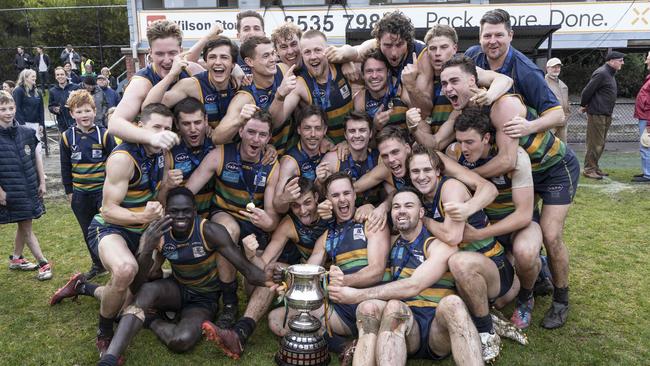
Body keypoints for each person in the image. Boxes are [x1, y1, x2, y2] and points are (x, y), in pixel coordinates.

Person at [437, 55, 580, 330]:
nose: (448, 88)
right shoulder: (469, 119)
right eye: (444, 83)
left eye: (453, 81)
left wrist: (468, 176)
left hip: (553, 166)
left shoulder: (501, 106)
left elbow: (508, 162)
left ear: (472, 80)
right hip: (520, 178)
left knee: (548, 234)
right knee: (518, 242)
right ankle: (532, 275)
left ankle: (557, 298)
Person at [90, 187, 270, 366]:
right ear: (166, 212)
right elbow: (137, 287)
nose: (180, 216)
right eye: (174, 211)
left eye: (186, 211)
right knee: (144, 292)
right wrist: (146, 249)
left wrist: (274, 280)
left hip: (204, 299)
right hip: (177, 288)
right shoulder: (159, 232)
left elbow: (247, 270)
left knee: (181, 341)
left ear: (194, 211)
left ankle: (152, 320)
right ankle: (110, 359)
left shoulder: (211, 231)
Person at [328, 188, 482, 366]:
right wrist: (339, 276)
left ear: (421, 212)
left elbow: (414, 285)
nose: (401, 210)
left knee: (452, 304)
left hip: (437, 327)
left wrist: (356, 295)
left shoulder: (440, 245)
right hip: (407, 325)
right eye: (396, 207)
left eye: (409, 206)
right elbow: (372, 266)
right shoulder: (393, 243)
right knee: (373, 307)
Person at [79, 103, 172, 359]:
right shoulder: (123, 158)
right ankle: (105, 331)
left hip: (141, 229)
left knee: (144, 282)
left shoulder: (164, 153)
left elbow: (158, 197)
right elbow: (108, 209)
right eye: (156, 127)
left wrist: (167, 187)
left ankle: (84, 287)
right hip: (111, 228)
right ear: (140, 128)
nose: (161, 134)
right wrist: (143, 216)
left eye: (167, 129)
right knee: (124, 271)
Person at [202, 177, 329, 359]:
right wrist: (251, 254)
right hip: (302, 281)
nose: (303, 211)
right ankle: (240, 333)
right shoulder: (289, 224)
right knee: (273, 271)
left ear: (317, 197)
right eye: (295, 206)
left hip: (330, 281)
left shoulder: (329, 216)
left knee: (279, 272)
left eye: (307, 202)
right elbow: (264, 264)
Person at [267, 172, 390, 356]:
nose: (342, 199)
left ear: (355, 195)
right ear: (327, 201)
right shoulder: (327, 236)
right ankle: (344, 347)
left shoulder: (369, 220)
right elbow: (310, 273)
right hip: (341, 310)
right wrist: (286, 278)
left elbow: (376, 271)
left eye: (346, 193)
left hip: (371, 302)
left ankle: (349, 344)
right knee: (276, 319)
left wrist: (341, 282)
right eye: (335, 195)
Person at [407, 145, 511, 362]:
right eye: (415, 172)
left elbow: (452, 236)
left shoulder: (450, 188)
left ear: (438, 170)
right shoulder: (422, 197)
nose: (421, 176)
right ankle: (484, 314)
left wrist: (424, 220)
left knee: (458, 261)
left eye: (427, 170)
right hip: (469, 277)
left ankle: (486, 332)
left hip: (494, 267)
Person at [449, 107, 542, 329]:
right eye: (460, 141)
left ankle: (526, 297)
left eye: (470, 142)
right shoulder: (455, 153)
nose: (464, 148)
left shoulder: (516, 158)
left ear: (487, 138)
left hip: (517, 225)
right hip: (489, 226)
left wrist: (480, 234)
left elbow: (523, 215)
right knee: (498, 300)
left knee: (525, 253)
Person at [186, 110, 280, 328]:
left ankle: (242, 302)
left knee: (254, 287)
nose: (255, 139)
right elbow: (189, 189)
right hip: (224, 215)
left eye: (262, 135)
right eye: (251, 132)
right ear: (240, 131)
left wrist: (267, 221)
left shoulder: (272, 165)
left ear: (268, 138)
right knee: (227, 231)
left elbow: (272, 218)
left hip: (254, 228)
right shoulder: (220, 154)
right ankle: (229, 303)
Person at [464, 9, 565, 136]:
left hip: (518, 143)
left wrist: (530, 127)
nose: (492, 41)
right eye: (487, 36)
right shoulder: (472, 56)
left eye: (499, 35)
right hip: (486, 138)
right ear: (480, 38)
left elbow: (558, 115)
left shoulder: (527, 71)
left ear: (510, 35)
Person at [108, 19, 203, 150]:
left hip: (188, 152)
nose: (167, 60)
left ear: (181, 51)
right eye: (159, 54)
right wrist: (152, 137)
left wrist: (233, 70)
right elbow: (114, 123)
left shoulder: (192, 70)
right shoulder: (141, 82)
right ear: (150, 53)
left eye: (172, 53)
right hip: (154, 154)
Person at [59, 89, 117, 280]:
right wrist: (69, 192)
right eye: (79, 111)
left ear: (94, 111)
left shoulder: (105, 134)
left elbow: (116, 161)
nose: (84, 115)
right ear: (72, 114)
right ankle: (97, 264)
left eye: (87, 111)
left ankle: (113, 263)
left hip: (102, 193)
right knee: (88, 232)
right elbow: (65, 166)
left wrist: (113, 189)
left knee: (107, 229)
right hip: (80, 195)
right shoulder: (67, 137)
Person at [0, 91, 52, 281]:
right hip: (9, 189)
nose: (8, 112)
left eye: (11, 108)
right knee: (26, 226)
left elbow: (37, 157)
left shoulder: (27, 132)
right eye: (3, 109)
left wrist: (42, 181)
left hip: (29, 187)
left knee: (24, 222)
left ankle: (16, 259)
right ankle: (43, 262)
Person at [211, 36, 291, 154]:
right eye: (266, 56)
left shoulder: (283, 70)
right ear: (249, 62)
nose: (273, 59)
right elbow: (216, 138)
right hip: (263, 158)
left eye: (273, 53)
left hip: (290, 149)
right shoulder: (244, 98)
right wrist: (239, 120)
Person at [272, 29, 353, 144]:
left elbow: (368, 46)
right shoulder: (299, 84)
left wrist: (348, 56)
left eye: (318, 50)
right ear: (302, 54)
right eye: (307, 52)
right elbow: (275, 122)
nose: (313, 56)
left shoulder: (341, 65)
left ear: (327, 49)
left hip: (354, 139)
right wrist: (279, 95)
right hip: (328, 148)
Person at [144, 36, 239, 128]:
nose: (218, 62)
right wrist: (171, 75)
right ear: (206, 62)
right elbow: (148, 109)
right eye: (212, 57)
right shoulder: (191, 85)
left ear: (233, 64)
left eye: (224, 57)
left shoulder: (240, 83)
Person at [317, 112, 383, 207]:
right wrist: (320, 182)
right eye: (352, 131)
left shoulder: (380, 158)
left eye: (362, 130)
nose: (357, 135)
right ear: (345, 135)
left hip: (372, 215)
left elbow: (390, 192)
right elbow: (319, 196)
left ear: (371, 133)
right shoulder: (333, 159)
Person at [273, 105, 327, 213]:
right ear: (299, 129)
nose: (313, 134)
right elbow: (277, 205)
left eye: (318, 128)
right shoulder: (290, 163)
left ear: (325, 130)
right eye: (307, 128)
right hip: (301, 216)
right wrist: (285, 198)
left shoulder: (329, 150)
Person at [580, 51, 625, 179]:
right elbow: (587, 91)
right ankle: (589, 169)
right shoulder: (602, 73)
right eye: (620, 60)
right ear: (611, 61)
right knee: (595, 143)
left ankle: (595, 167)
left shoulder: (610, 73)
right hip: (597, 114)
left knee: (601, 143)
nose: (623, 63)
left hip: (605, 113)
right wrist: (584, 105)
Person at [353, 50, 411, 131]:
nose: (374, 76)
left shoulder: (402, 90)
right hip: (378, 143)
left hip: (404, 142)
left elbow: (421, 121)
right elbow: (361, 138)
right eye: (369, 71)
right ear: (363, 75)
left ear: (388, 72)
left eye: (379, 70)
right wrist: (375, 127)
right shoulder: (360, 100)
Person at [13, 69, 45, 142]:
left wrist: (41, 124)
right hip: (24, 124)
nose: (35, 78)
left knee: (38, 150)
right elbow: (17, 109)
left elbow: (41, 110)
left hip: (36, 124)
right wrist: (22, 125)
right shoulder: (18, 90)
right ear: (26, 78)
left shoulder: (38, 92)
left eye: (35, 76)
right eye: (33, 76)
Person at [633, 50, 650, 183]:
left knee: (646, 145)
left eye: (648, 58)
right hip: (644, 117)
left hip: (647, 118)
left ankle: (648, 175)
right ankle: (646, 171)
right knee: (646, 145)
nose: (646, 61)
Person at [545, 58, 570, 142]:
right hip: (548, 122)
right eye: (554, 67)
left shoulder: (563, 85)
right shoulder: (542, 83)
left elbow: (566, 102)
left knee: (562, 148)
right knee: (546, 146)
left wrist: (567, 115)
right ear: (547, 68)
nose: (556, 69)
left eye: (558, 67)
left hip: (563, 121)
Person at [235, 10, 266, 76]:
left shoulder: (275, 59)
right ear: (238, 36)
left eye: (256, 28)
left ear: (264, 34)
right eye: (246, 29)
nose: (252, 33)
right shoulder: (231, 60)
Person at [49, 66, 80, 132]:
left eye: (62, 74)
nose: (60, 76)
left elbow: (82, 102)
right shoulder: (53, 91)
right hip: (62, 122)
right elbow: (50, 106)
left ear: (66, 75)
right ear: (55, 77)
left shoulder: (75, 87)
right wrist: (54, 109)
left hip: (76, 121)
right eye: (57, 75)